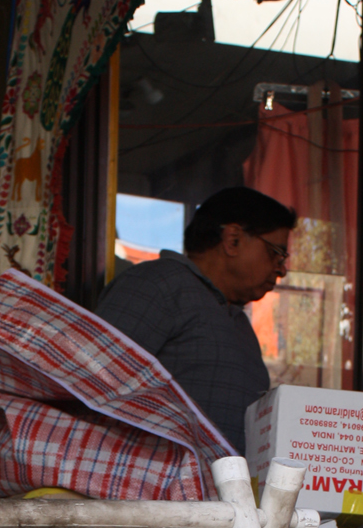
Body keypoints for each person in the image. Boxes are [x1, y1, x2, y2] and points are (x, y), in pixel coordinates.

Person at [95, 186, 295, 452]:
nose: (282, 270)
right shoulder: (158, 284)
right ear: (232, 239)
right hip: (149, 490)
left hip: (218, 492)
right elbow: (92, 386)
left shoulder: (238, 322)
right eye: (275, 253)